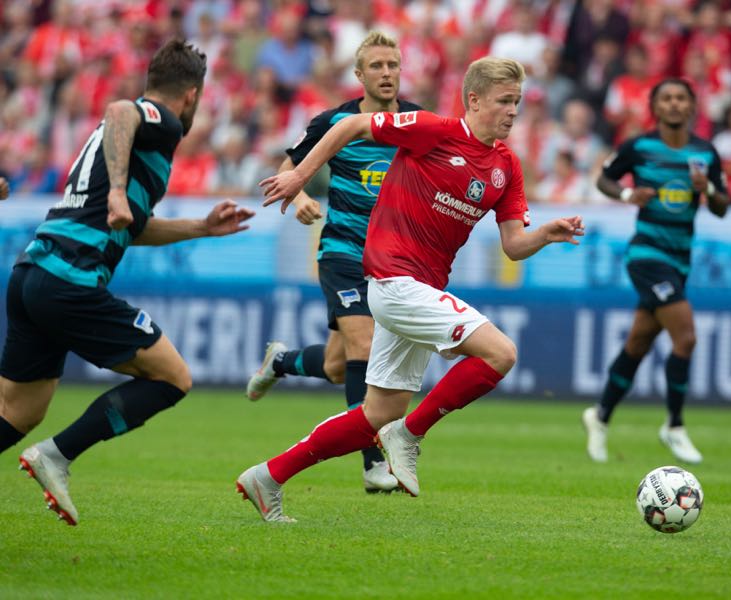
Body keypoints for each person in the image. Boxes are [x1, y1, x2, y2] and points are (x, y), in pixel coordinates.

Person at [238, 56, 584, 522]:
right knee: (500, 353)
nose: (513, 111)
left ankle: (268, 476)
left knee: (375, 415)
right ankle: (411, 434)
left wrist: (545, 235)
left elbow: (513, 246)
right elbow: (352, 125)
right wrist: (301, 176)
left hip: (419, 288)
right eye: (505, 101)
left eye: (518, 102)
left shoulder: (506, 166)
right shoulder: (433, 130)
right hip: (393, 280)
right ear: (474, 99)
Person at [0, 39, 255, 526]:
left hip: (33, 273)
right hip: (69, 280)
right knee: (173, 377)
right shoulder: (161, 120)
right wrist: (117, 191)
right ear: (192, 96)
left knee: (16, 412)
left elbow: (131, 228)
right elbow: (121, 109)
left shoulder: (130, 143)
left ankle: (51, 451)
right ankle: (57, 455)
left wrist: (201, 227)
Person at [245, 32, 422, 494]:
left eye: (393, 65)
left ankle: (279, 361)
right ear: (360, 75)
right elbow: (288, 169)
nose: (387, 73)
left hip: (390, 261)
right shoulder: (334, 121)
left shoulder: (417, 122)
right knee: (363, 348)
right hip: (342, 251)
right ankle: (372, 464)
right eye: (378, 65)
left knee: (338, 366)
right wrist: (301, 195)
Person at [581, 78, 729, 465]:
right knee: (687, 336)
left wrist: (708, 190)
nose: (675, 104)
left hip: (680, 260)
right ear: (656, 108)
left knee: (639, 343)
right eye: (667, 98)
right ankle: (674, 425)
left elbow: (722, 206)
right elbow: (604, 177)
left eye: (681, 97)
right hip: (646, 255)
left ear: (692, 106)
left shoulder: (705, 153)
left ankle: (599, 416)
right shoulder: (639, 147)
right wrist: (629, 195)